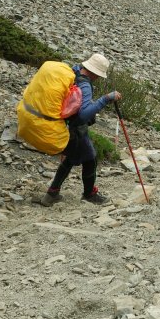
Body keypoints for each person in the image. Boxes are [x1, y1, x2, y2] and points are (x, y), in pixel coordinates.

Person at [38, 53, 121, 206]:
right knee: (90, 158)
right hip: (76, 128)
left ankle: (52, 193)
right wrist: (106, 99)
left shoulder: (74, 71)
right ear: (96, 73)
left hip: (64, 124)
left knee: (70, 158)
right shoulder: (85, 84)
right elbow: (83, 115)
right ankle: (89, 194)